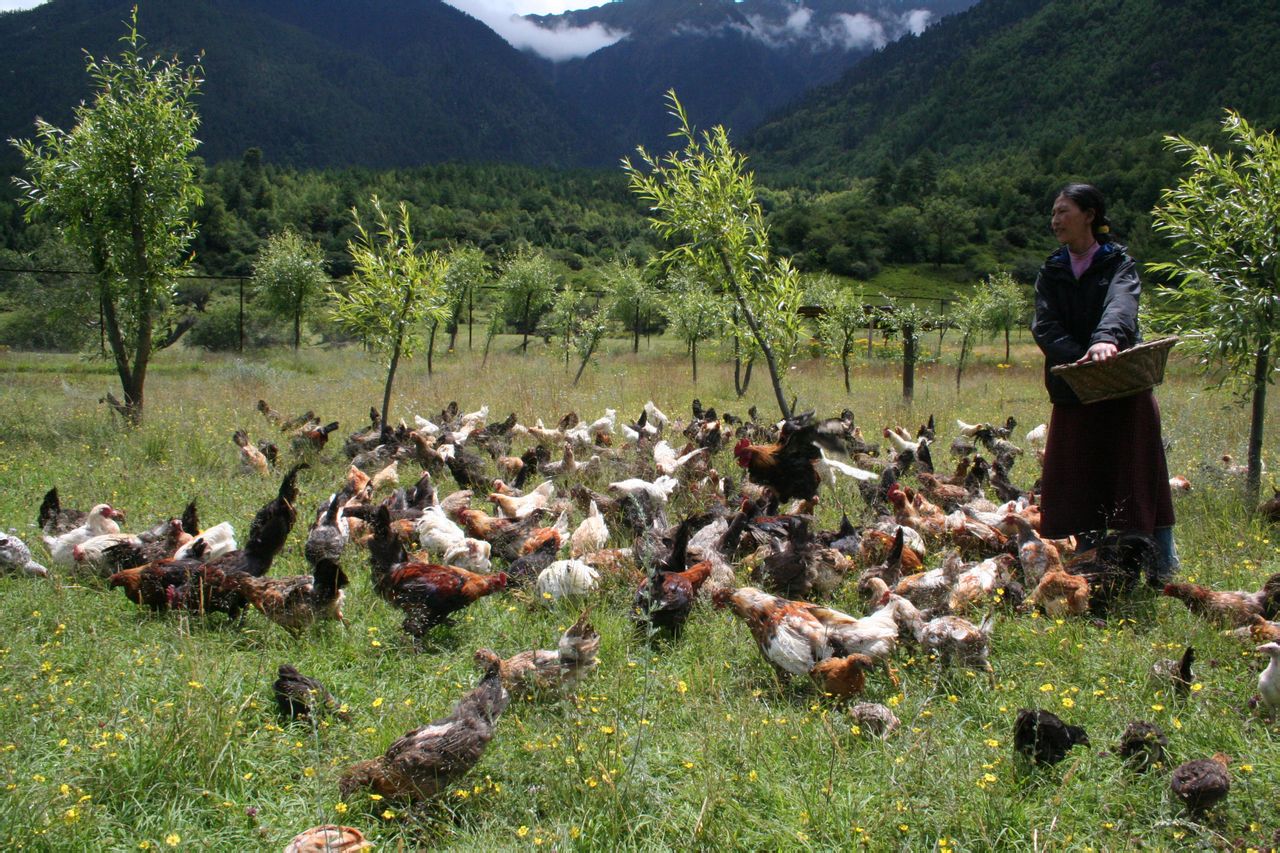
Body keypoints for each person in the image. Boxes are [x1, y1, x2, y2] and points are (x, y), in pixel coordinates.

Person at [1030, 183, 1177, 582]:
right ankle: (1095, 568)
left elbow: (1121, 305)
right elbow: (1044, 324)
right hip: (1075, 390)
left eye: (1064, 211)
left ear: (1090, 215)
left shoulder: (1118, 263)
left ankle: (1161, 569)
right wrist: (1078, 356)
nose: (1055, 219)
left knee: (1137, 474)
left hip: (1121, 388)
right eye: (1054, 212)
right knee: (1079, 480)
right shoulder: (1052, 270)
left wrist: (1104, 341)